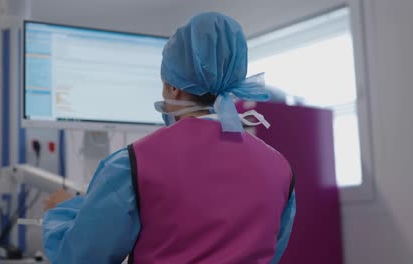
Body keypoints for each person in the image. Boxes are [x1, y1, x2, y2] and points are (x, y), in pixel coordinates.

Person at [42, 12, 296, 264]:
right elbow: (271, 251)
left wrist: (63, 212)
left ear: (173, 87)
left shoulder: (132, 163)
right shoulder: (279, 168)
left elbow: (80, 257)